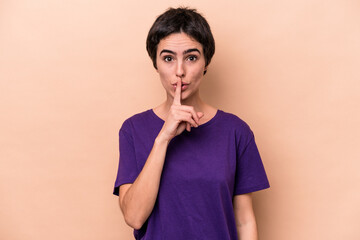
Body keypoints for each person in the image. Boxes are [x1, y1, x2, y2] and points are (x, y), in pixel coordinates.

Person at [113, 7, 270, 240]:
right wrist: (163, 137)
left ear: (206, 62)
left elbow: (244, 221)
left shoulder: (236, 132)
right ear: (155, 64)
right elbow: (134, 217)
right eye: (168, 58)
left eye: (191, 57)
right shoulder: (133, 130)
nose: (179, 71)